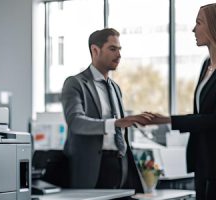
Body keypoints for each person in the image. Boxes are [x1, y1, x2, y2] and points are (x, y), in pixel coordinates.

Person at [146, 3, 216, 199]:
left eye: (199, 23)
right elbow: (200, 114)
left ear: (215, 26)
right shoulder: (207, 65)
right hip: (203, 158)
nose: (194, 29)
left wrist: (169, 120)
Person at [60, 28, 153, 192]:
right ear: (95, 50)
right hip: (92, 169)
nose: (118, 55)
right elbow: (75, 122)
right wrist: (116, 123)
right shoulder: (75, 83)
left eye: (119, 49)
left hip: (119, 166)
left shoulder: (115, 88)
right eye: (112, 49)